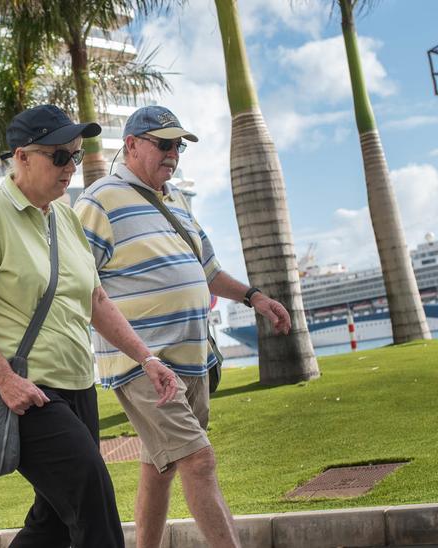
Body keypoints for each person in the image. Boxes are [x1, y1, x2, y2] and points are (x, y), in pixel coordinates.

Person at [0, 104, 178, 548]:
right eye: (59, 156)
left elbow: (96, 299)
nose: (70, 167)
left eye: (74, 154)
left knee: (50, 523)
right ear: (22, 157)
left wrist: (145, 358)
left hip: (77, 387)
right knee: (93, 498)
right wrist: (7, 381)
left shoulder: (64, 217)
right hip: (27, 393)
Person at [74, 105, 293, 548]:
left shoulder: (174, 200)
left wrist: (255, 297)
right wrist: (136, 352)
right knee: (199, 461)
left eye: (179, 146)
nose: (173, 154)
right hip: (143, 365)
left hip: (190, 361)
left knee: (161, 467)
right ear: (132, 144)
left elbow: (208, 271)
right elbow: (82, 283)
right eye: (164, 144)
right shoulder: (99, 200)